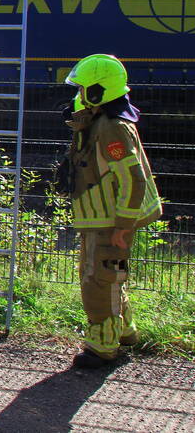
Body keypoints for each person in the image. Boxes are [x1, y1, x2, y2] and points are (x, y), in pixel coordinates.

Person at [62, 54, 162, 369]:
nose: (77, 96)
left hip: (109, 221)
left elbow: (133, 179)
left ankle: (102, 347)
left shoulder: (112, 128)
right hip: (104, 219)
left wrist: (122, 225)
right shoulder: (102, 122)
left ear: (97, 93)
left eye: (82, 90)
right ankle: (124, 332)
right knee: (113, 274)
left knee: (98, 279)